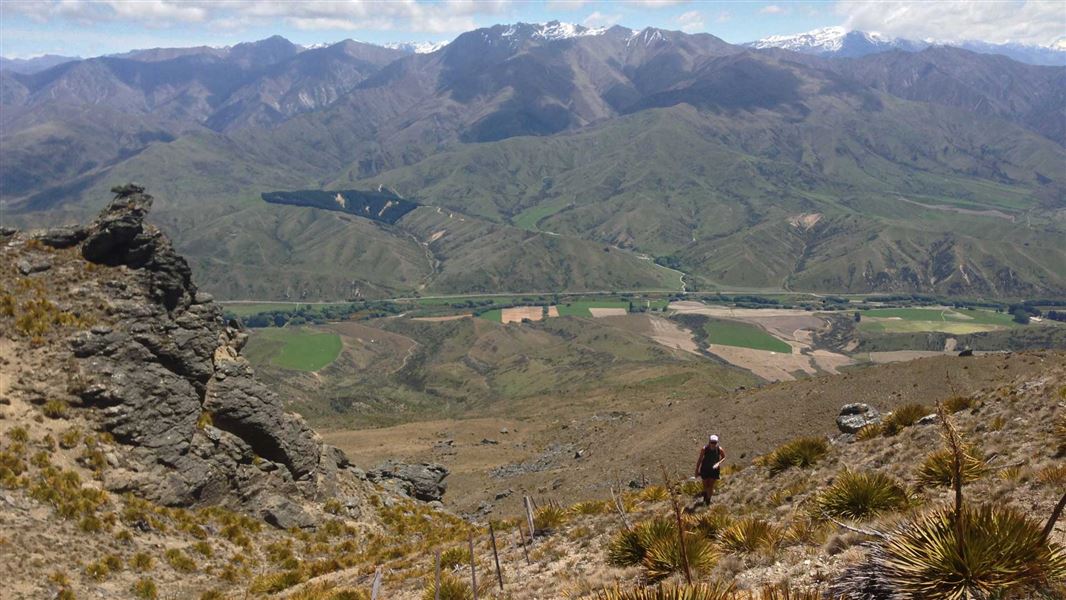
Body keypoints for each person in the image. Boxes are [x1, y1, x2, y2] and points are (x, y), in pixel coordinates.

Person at [694, 434, 726, 504]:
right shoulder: (704, 449)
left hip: (714, 469)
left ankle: (708, 501)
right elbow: (700, 459)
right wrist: (697, 470)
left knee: (711, 485)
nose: (713, 444)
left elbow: (723, 457)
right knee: (705, 484)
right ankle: (705, 496)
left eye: (715, 442)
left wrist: (718, 463)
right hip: (705, 469)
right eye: (712, 442)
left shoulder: (719, 449)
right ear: (709, 442)